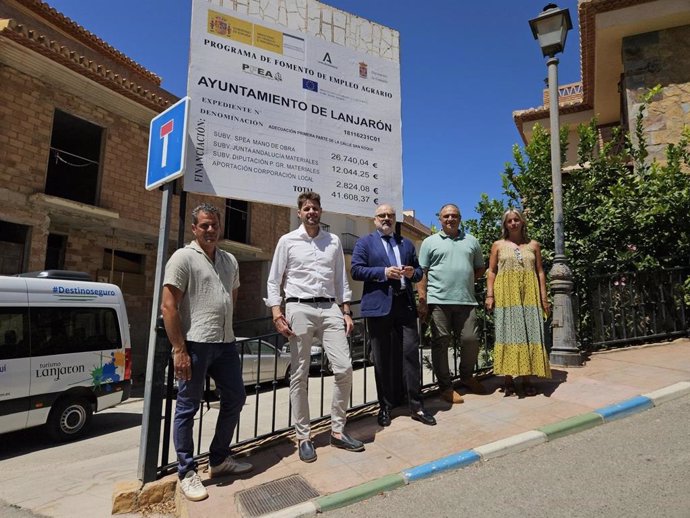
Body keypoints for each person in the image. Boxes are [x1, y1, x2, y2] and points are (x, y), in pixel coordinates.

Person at [161, 203, 251, 502]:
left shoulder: (229, 260)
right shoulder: (183, 258)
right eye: (204, 225)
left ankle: (219, 459)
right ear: (194, 228)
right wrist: (179, 349)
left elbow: (232, 296)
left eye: (214, 224)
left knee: (236, 398)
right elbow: (168, 306)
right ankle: (187, 472)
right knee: (187, 407)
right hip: (195, 344)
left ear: (219, 226)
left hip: (225, 343)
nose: (210, 230)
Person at [266, 191, 365, 463]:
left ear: (320, 211)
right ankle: (304, 436)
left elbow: (341, 279)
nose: (311, 212)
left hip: (330, 307)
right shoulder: (287, 241)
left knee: (344, 367)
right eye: (307, 208)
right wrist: (277, 312)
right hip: (298, 307)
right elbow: (274, 281)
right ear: (300, 213)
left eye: (315, 208)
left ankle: (337, 430)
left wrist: (346, 310)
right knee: (299, 373)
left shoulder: (332, 241)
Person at [351, 204, 436, 427]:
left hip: (404, 305)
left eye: (390, 215)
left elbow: (418, 272)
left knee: (410, 355)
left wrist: (411, 273)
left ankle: (416, 405)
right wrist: (383, 272)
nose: (386, 219)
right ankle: (385, 406)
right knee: (382, 359)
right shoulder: (364, 243)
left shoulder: (406, 243)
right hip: (379, 307)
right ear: (375, 219)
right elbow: (356, 270)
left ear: (395, 219)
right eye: (382, 215)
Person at [417, 203, 487, 404]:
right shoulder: (429, 242)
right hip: (438, 301)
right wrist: (423, 300)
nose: (450, 219)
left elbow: (480, 268)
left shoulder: (471, 241)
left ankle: (466, 377)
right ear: (440, 219)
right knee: (441, 343)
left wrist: (465, 281)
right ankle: (446, 387)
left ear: (460, 218)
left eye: (454, 216)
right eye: (446, 216)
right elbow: (423, 273)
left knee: (470, 339)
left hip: (466, 300)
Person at [485, 209, 551, 396]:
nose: (513, 223)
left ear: (522, 222)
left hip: (529, 293)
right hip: (505, 293)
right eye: (509, 221)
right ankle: (508, 379)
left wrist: (544, 297)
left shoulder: (533, 245)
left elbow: (540, 272)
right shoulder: (497, 245)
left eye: (516, 220)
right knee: (507, 332)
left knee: (530, 332)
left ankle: (527, 378)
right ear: (505, 225)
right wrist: (490, 295)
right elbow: (491, 271)